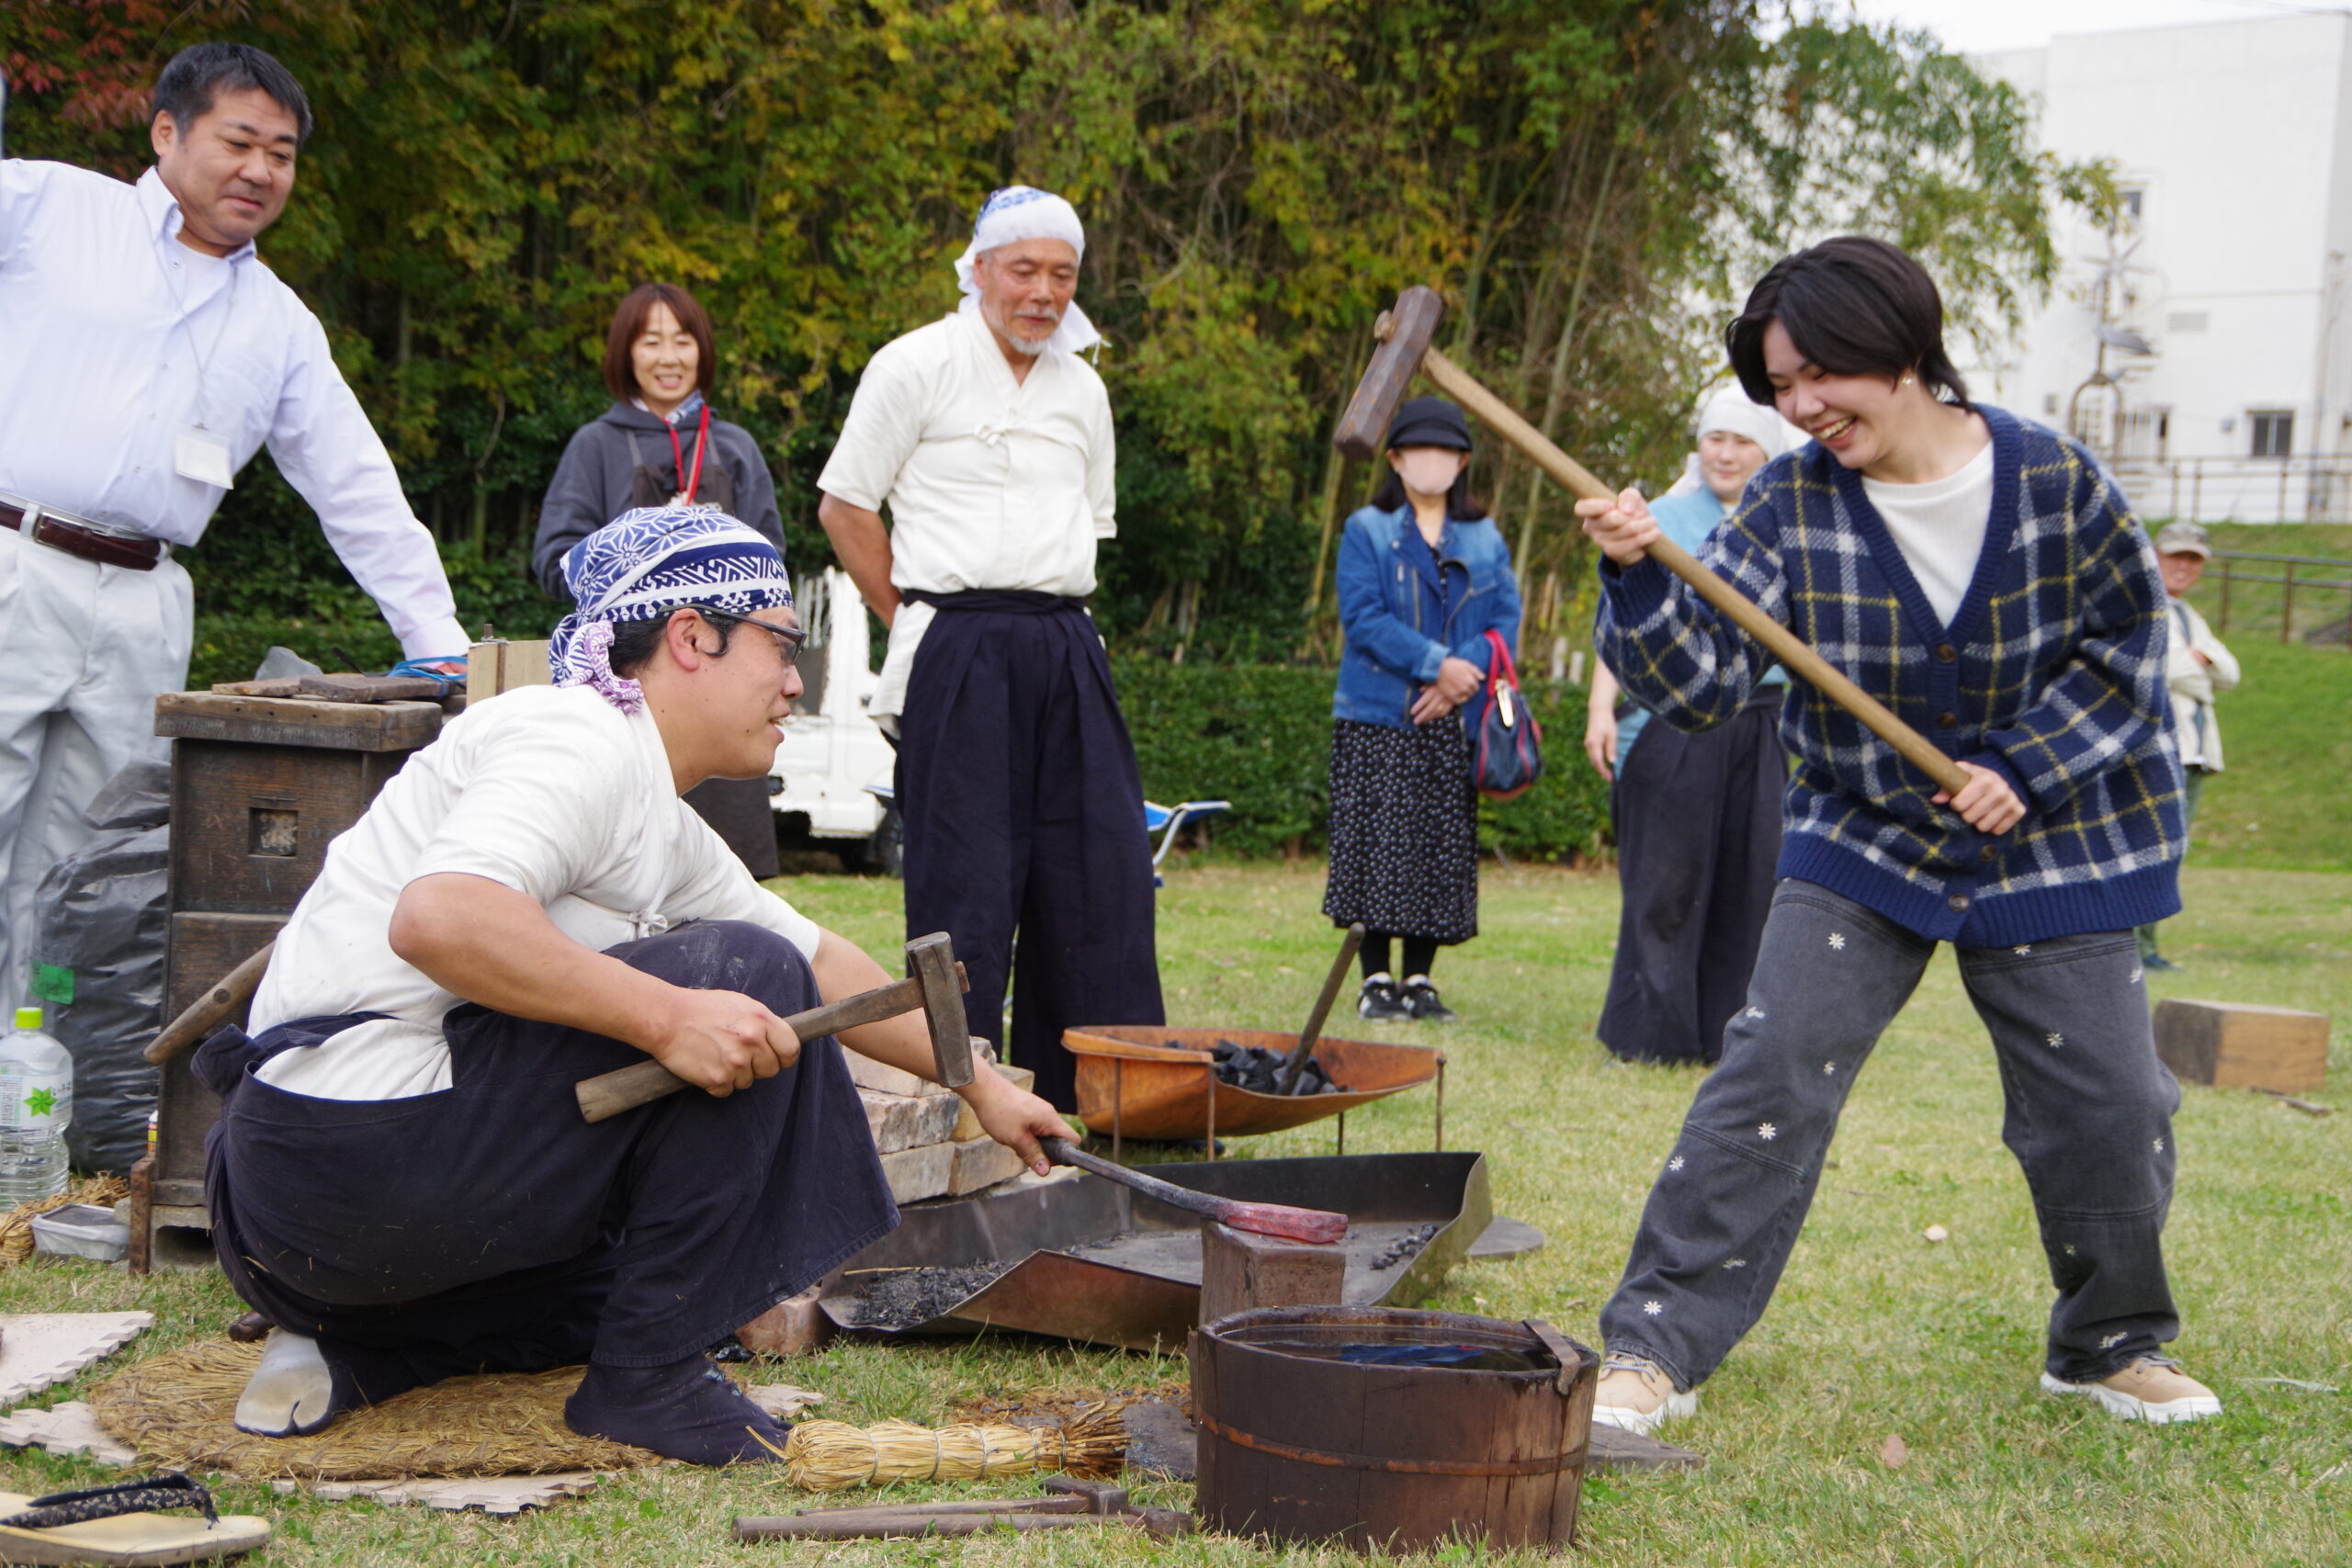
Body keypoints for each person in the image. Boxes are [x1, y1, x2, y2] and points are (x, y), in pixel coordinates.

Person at [203, 506, 1068, 1465]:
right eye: (782, 645)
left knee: (639, 1259)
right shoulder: (571, 739)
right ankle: (647, 1381)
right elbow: (439, 916)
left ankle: (375, 1350)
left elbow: (825, 962)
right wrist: (666, 1017)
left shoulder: (652, 808)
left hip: (308, 1227)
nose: (795, 683)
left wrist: (981, 1088)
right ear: (693, 636)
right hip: (344, 1170)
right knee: (741, 979)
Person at [1574, 236, 2217, 1434]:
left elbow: (2134, 656)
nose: (1803, 405)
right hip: (1865, 834)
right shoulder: (1786, 503)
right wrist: (1641, 581)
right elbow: (1704, 681)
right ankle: (1650, 1347)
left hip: (2055, 838)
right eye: (1781, 387)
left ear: (1905, 348)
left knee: (2114, 1101)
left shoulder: (2055, 482)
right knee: (1768, 1075)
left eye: (1823, 372)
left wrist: (2022, 764)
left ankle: (2108, 1343)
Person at [0, 43, 467, 1002]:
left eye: (283, 153)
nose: (260, 170)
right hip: (14, 553)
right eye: (239, 140)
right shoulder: (48, 207)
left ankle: (32, 1083)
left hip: (146, 595)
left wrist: (442, 643)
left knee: (86, 862)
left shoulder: (280, 323)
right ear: (166, 131)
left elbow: (357, 488)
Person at [815, 186, 1159, 1111]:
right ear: (978, 272)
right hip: (955, 639)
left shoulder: (1082, 387)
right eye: (1024, 270)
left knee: (1099, 873)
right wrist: (915, 620)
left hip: (1063, 640)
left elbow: (1092, 522)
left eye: (1062, 274)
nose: (1042, 293)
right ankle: (966, 1096)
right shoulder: (913, 365)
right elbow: (844, 507)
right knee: (965, 879)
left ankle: (1099, 1098)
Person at [535, 283, 788, 877]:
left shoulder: (736, 447)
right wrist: (644, 553)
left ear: (702, 352)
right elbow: (554, 560)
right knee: (620, 867)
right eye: (651, 342)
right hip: (624, 691)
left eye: (683, 341)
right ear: (627, 353)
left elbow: (774, 566)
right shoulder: (594, 445)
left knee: (728, 882)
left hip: (727, 690)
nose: (668, 357)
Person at [1585, 389, 1789, 1064]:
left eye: (1742, 441)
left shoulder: (1784, 520)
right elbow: (1623, 628)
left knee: (1751, 882)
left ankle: (1731, 1037)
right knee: (1665, 880)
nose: (1726, 453)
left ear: (1767, 450)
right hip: (1677, 723)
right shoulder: (1659, 517)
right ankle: (1651, 1035)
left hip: (1768, 722)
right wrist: (1600, 711)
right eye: (1715, 438)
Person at [1324, 397, 1521, 1022]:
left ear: (1462, 461)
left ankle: (1420, 980)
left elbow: (1505, 620)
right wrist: (1437, 663)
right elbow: (1362, 617)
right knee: (1376, 844)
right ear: (1396, 458)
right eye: (1419, 449)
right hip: (1378, 714)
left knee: (1438, 848)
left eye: (1445, 450)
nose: (1432, 461)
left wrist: (1459, 678)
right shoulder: (1367, 529)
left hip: (1452, 718)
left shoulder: (1485, 538)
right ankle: (1376, 976)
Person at [2136, 521, 2238, 972]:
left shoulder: (2188, 615)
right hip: (2162, 747)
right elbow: (2172, 668)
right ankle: (2135, 948)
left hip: (2195, 752)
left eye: (2193, 559)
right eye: (2175, 555)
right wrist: (2202, 673)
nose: (2183, 566)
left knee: (2172, 851)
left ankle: (2148, 945)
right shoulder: (2145, 604)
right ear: (2155, 556)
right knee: (2151, 846)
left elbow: (2230, 672)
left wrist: (2203, 665)